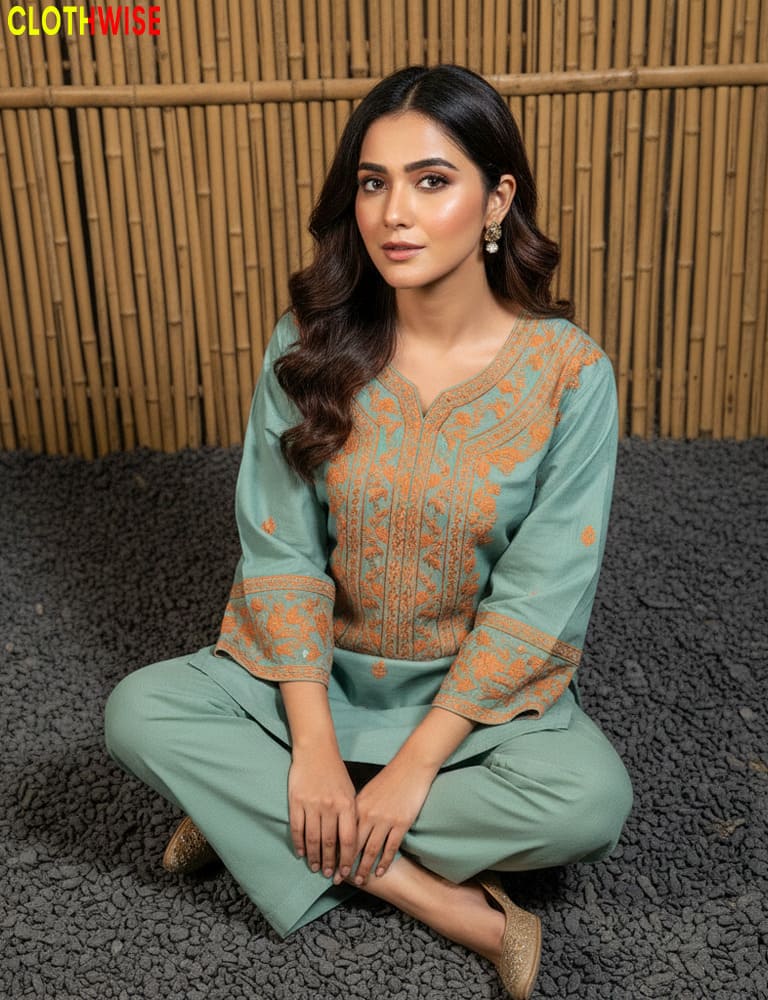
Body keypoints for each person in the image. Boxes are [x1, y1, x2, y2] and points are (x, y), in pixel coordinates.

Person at [104, 64, 633, 1000]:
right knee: (140, 711)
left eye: (432, 181)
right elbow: (281, 555)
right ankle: (437, 897)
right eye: (374, 181)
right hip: (307, 682)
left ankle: (252, 817)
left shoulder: (570, 376)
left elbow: (544, 593)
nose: (396, 212)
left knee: (589, 801)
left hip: (469, 707)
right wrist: (311, 750)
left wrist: (416, 764)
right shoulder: (307, 345)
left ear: (496, 198)